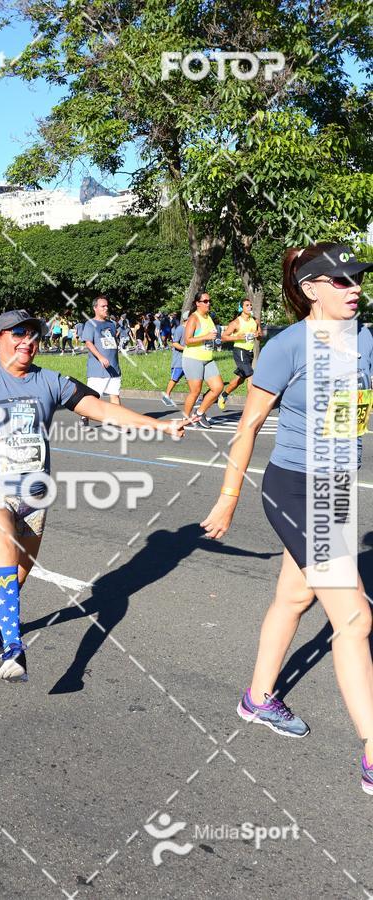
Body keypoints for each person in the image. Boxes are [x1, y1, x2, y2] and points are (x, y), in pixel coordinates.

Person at [0, 260, 188, 684]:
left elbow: (102, 409)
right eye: (18, 334)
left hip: (35, 495)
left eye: (33, 335)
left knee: (20, 570)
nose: (27, 341)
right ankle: (14, 647)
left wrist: (159, 424)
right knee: (4, 553)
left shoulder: (51, 381)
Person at [200, 242, 373, 794]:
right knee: (354, 619)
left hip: (337, 488)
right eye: (342, 282)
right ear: (311, 288)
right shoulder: (286, 346)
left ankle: (257, 697)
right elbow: (248, 426)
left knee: (295, 598)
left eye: (358, 280)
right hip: (295, 489)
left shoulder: (367, 339)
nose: (355, 290)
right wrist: (229, 497)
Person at [181, 291, 224, 428]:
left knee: (218, 388)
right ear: (197, 303)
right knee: (195, 391)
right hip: (193, 358)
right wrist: (206, 337)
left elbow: (211, 336)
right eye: (205, 301)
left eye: (209, 301)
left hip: (208, 358)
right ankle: (185, 419)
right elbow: (187, 340)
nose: (208, 303)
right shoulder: (193, 318)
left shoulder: (209, 317)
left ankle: (199, 413)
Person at [81, 296, 121, 426]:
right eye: (103, 306)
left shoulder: (111, 324)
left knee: (115, 396)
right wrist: (101, 357)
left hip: (114, 367)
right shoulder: (90, 324)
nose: (106, 308)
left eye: (107, 306)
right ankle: (84, 416)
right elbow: (88, 343)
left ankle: (120, 422)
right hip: (98, 369)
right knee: (92, 398)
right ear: (95, 308)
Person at [218, 299, 263, 409]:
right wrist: (237, 337)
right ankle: (250, 406)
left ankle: (223, 395)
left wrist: (258, 335)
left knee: (240, 379)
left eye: (250, 305)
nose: (250, 307)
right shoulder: (236, 322)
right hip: (240, 351)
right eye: (247, 305)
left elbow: (261, 336)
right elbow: (223, 337)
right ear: (241, 308)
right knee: (251, 376)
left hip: (249, 352)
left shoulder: (255, 321)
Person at [162, 311, 188, 406]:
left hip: (188, 359)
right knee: (175, 378)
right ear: (187, 319)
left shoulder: (191, 329)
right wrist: (185, 349)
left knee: (190, 378)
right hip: (179, 360)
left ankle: (195, 396)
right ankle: (166, 396)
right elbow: (174, 343)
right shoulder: (180, 329)